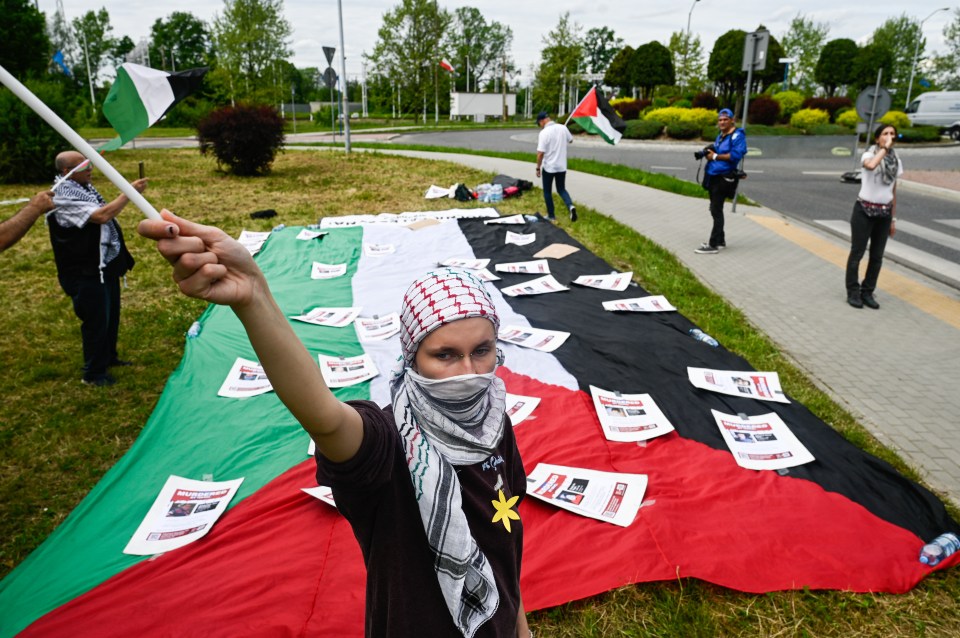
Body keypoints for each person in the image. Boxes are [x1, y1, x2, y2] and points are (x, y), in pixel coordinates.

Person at [138, 211, 532, 638]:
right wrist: (253, 297)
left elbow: (504, 548)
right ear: (412, 356)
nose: (467, 373)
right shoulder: (387, 443)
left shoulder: (494, 423)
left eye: (482, 350)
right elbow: (324, 417)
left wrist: (521, 629)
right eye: (445, 355)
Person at [49, 151, 148, 386]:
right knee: (95, 321)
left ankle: (108, 357)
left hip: (103, 266)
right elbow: (103, 215)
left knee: (110, 315)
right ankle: (93, 374)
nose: (90, 169)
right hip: (84, 271)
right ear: (67, 172)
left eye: (89, 164)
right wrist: (130, 193)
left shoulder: (85, 189)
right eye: (84, 166)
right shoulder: (62, 198)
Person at [845, 123, 902, 309]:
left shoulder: (896, 160)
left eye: (892, 133)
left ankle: (867, 292)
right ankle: (853, 292)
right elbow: (870, 166)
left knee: (877, 256)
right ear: (878, 138)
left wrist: (893, 218)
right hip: (864, 210)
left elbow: (893, 189)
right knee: (857, 253)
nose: (889, 136)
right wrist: (884, 148)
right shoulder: (869, 154)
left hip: (884, 213)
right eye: (885, 133)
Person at [695, 108, 747, 254]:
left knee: (716, 210)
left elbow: (735, 155)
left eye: (725, 119)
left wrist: (715, 156)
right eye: (720, 120)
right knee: (715, 208)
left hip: (724, 177)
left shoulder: (737, 136)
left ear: (732, 120)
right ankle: (720, 240)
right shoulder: (722, 135)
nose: (722, 122)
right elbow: (716, 150)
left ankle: (713, 245)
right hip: (713, 176)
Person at [535, 111, 577, 222]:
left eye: (539, 123)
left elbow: (540, 154)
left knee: (547, 191)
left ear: (543, 120)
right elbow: (571, 140)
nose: (540, 126)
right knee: (561, 189)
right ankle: (570, 206)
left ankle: (551, 215)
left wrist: (538, 167)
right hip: (562, 166)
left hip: (549, 167)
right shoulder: (562, 128)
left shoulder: (544, 133)